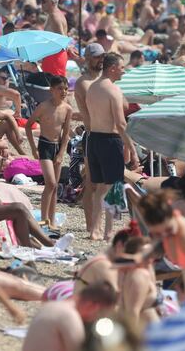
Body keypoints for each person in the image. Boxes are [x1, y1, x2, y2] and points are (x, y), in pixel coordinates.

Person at [83, 53, 139, 240]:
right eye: (122, 67)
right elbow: (121, 124)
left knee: (100, 188)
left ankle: (95, 230)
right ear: (113, 68)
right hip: (110, 140)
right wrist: (131, 148)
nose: (124, 70)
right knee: (114, 187)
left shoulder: (92, 88)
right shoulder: (112, 90)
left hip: (94, 139)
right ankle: (108, 231)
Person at [26, 75, 73, 230]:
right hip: (45, 145)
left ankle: (51, 221)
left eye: (65, 88)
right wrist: (33, 147)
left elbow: (66, 134)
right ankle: (44, 219)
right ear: (51, 90)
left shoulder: (67, 109)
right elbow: (28, 125)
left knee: (54, 187)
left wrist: (61, 154)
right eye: (60, 88)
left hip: (57, 146)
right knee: (50, 183)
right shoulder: (44, 106)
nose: (63, 92)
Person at [22, 282, 118, 351]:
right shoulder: (69, 316)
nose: (94, 319)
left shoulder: (51, 306)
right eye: (98, 314)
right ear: (93, 306)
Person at [74, 43, 105, 236]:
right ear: (87, 58)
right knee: (92, 183)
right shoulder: (83, 83)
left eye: (102, 56)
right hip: (93, 135)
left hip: (107, 134)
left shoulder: (105, 80)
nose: (100, 60)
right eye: (96, 57)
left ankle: (97, 223)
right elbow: (95, 108)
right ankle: (90, 225)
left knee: (103, 184)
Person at [117, 236, 160, 327]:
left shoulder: (146, 268)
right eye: (145, 255)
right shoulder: (139, 276)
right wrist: (134, 338)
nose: (150, 258)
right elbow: (132, 312)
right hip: (145, 330)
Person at [41, 0, 70, 77]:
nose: (41, 4)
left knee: (54, 86)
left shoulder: (54, 16)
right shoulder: (54, 15)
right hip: (53, 55)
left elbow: (63, 40)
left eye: (44, 1)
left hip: (55, 56)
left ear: (52, 2)